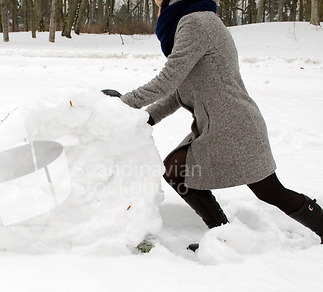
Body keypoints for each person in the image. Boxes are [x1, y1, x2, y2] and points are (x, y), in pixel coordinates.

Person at [103, 0, 323, 248]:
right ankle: (223, 236)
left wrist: (124, 103)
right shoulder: (185, 20)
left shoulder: (197, 21)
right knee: (176, 171)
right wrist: (147, 117)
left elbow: (169, 78)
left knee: (271, 192)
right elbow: (179, 91)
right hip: (216, 126)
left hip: (236, 125)